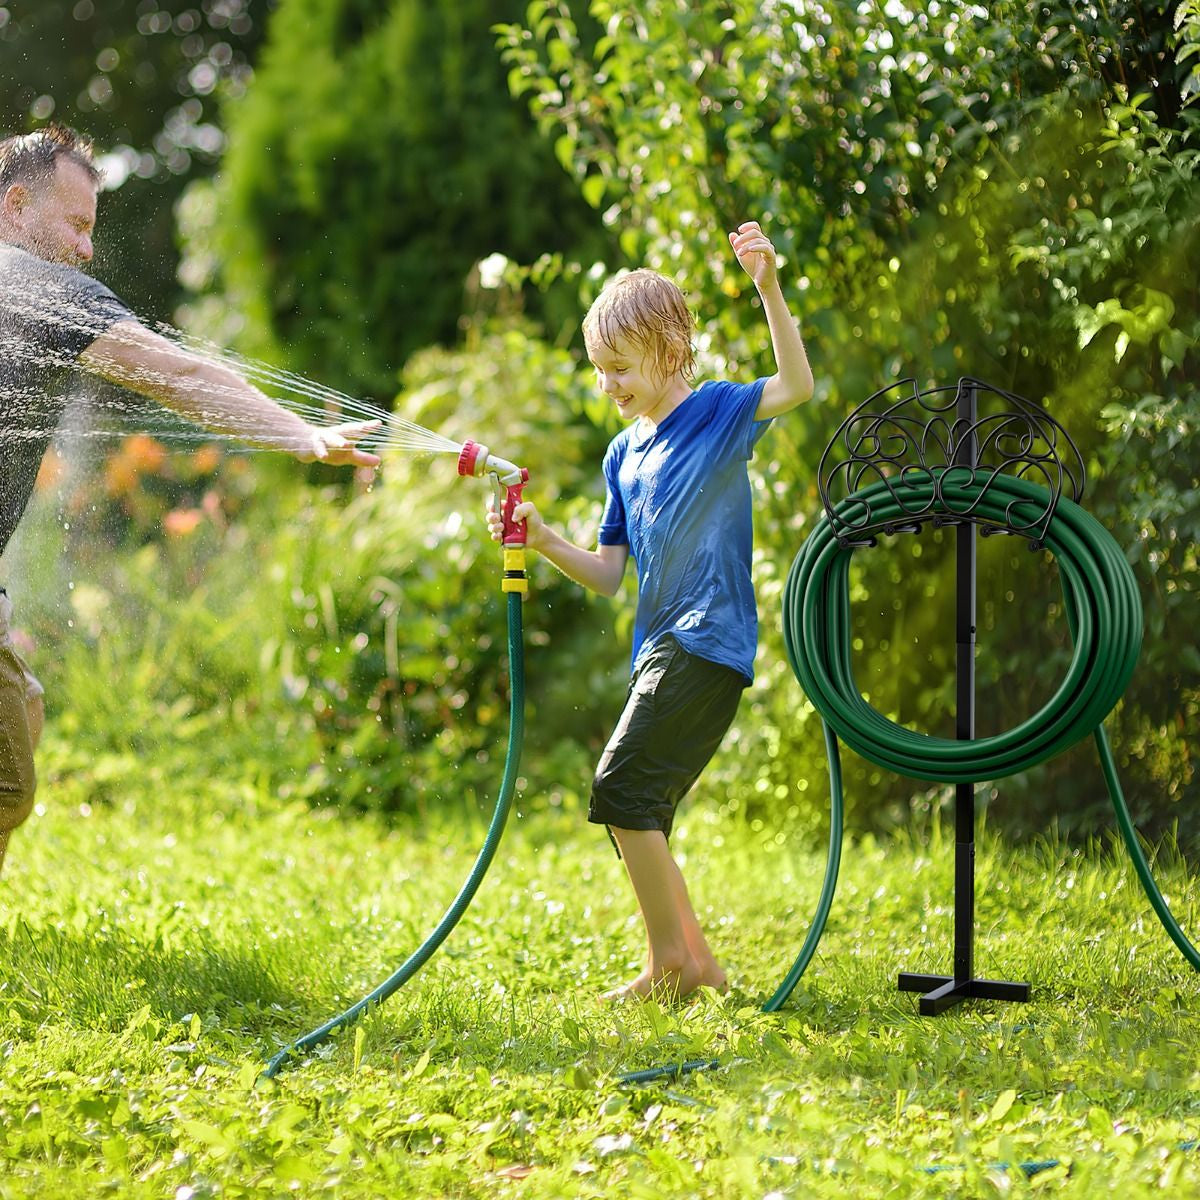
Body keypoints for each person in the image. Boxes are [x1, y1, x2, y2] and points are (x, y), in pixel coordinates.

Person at [0, 124, 380, 877]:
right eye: (75, 224)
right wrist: (300, 437)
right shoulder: (41, 285)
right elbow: (183, 378)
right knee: (8, 787)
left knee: (25, 709)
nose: (84, 249)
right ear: (15, 206)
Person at [489, 220, 815, 1000]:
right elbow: (607, 575)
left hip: (710, 639)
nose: (609, 385)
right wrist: (543, 540)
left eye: (621, 367)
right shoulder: (621, 455)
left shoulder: (718, 414)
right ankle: (692, 965)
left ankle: (674, 966)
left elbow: (797, 387)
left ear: (670, 350)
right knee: (637, 805)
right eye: (599, 370)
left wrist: (768, 284)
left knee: (623, 790)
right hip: (660, 645)